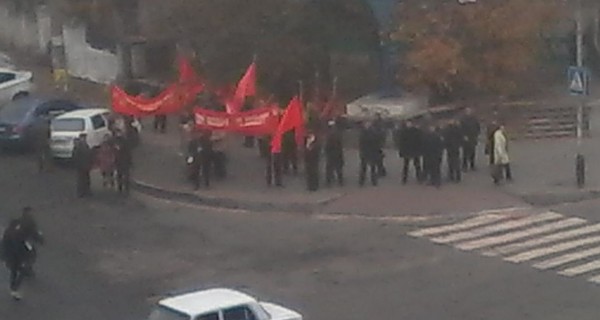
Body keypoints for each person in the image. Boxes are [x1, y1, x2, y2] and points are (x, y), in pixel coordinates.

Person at [394, 120, 422, 184]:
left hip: (415, 150)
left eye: (410, 123)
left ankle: (419, 177)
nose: (409, 124)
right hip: (407, 150)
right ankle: (404, 178)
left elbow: (419, 141)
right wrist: (401, 151)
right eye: (408, 123)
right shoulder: (403, 131)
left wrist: (419, 149)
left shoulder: (416, 131)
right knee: (406, 165)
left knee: (417, 165)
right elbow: (401, 142)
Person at [358, 121, 379, 187]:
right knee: (363, 167)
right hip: (365, 151)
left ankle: (373, 181)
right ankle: (362, 181)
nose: (367, 125)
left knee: (372, 167)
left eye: (368, 124)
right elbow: (360, 143)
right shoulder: (363, 133)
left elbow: (376, 142)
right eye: (366, 124)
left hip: (371, 151)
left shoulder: (373, 132)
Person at [72, 133, 93, 197]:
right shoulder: (79, 146)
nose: (84, 139)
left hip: (85, 165)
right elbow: (76, 156)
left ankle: (85, 191)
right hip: (82, 165)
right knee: (81, 180)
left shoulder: (84, 145)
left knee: (85, 179)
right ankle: (81, 192)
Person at [325, 120, 344, 187]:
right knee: (338, 169)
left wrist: (326, 152)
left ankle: (328, 182)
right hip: (337, 153)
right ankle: (340, 182)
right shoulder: (337, 133)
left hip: (331, 154)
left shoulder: (329, 135)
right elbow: (340, 145)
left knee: (329, 169)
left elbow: (327, 145)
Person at [444, 119, 463, 183]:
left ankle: (456, 176)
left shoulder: (452, 128)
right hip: (452, 147)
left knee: (455, 161)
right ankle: (452, 175)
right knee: (451, 161)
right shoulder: (454, 128)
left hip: (453, 147)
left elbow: (446, 137)